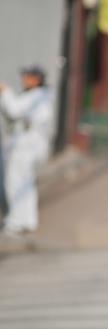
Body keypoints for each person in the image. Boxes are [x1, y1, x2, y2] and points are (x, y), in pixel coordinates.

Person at [0, 65, 53, 236]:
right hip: (33, 147)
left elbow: (14, 110)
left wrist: (5, 91)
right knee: (27, 184)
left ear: (36, 79)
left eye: (27, 76)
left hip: (25, 147)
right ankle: (28, 220)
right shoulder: (42, 96)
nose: (24, 79)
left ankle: (16, 222)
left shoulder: (36, 96)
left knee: (14, 183)